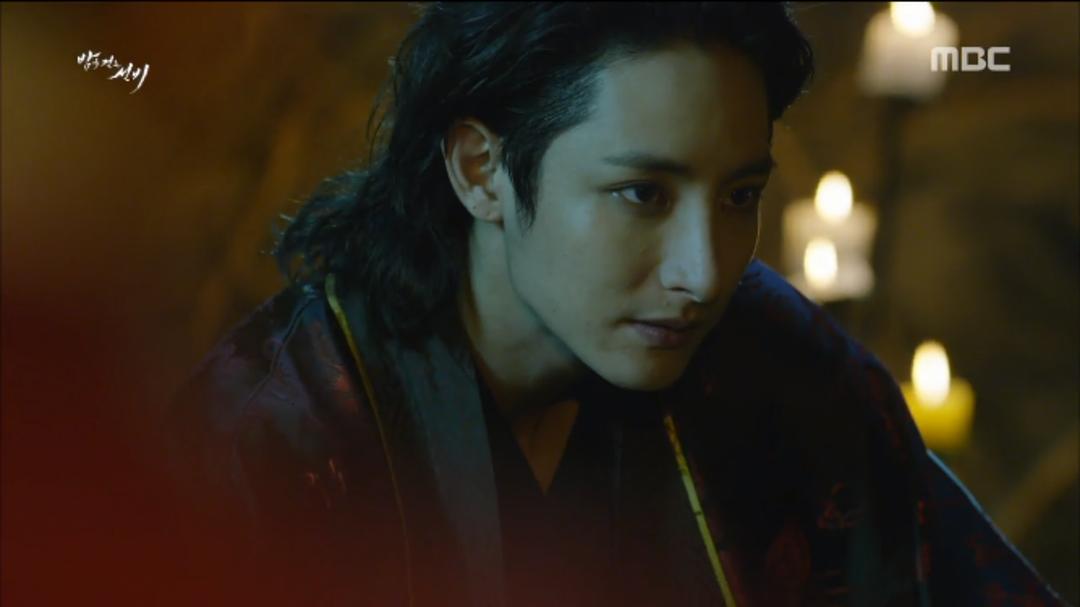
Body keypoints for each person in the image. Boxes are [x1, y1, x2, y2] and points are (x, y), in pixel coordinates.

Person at [163, 3, 1066, 606]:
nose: (703, 272)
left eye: (740, 196)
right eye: (642, 193)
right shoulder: (270, 437)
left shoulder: (778, 362)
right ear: (481, 169)